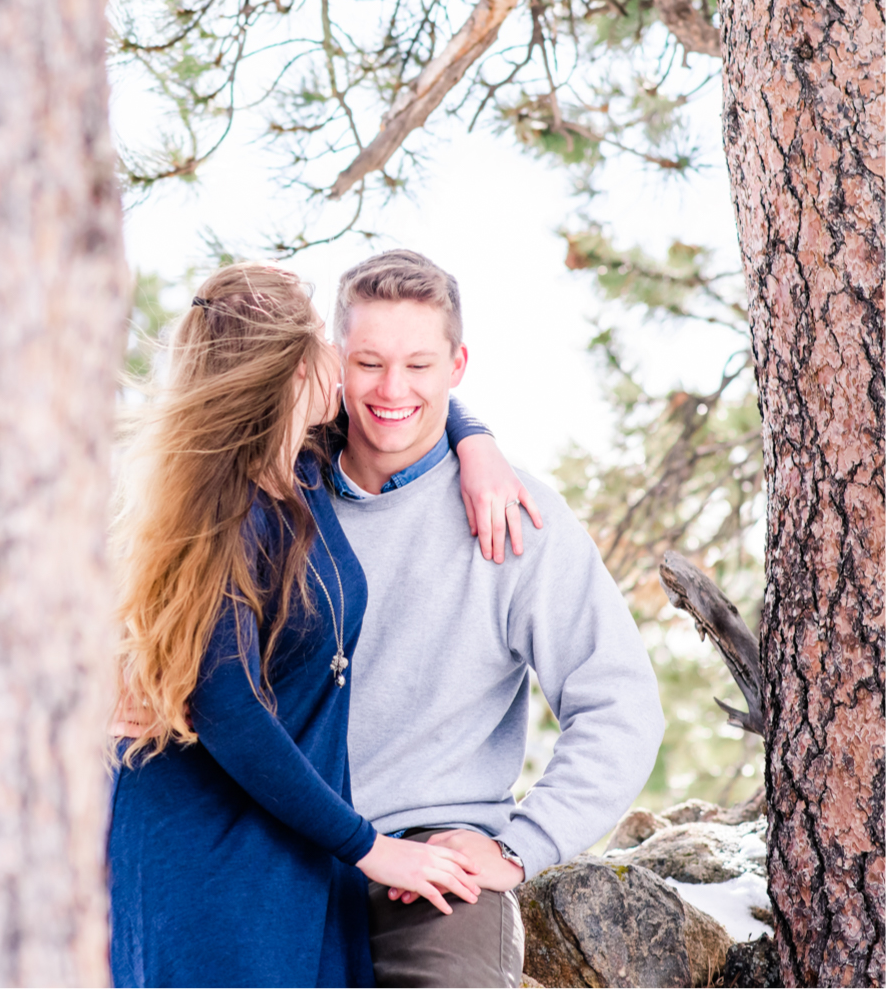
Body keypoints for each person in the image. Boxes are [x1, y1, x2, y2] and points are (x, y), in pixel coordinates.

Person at [105, 262, 531, 989]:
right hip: (209, 864)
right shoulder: (228, 514)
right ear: (292, 374)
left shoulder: (297, 468)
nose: (344, 364)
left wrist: (475, 440)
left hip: (289, 848)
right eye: (325, 349)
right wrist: (370, 848)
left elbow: (410, 402)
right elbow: (228, 705)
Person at [326, 249, 665, 987]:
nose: (392, 389)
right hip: (287, 834)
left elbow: (620, 705)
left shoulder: (516, 517)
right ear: (334, 363)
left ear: (457, 365)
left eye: (419, 365)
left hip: (433, 858)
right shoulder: (281, 498)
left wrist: (519, 847)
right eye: (369, 362)